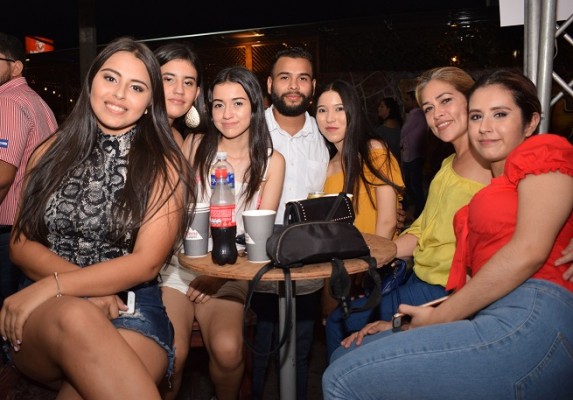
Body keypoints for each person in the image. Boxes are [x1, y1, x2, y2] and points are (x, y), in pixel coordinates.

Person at [323, 69, 573, 399]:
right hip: (482, 302)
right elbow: (457, 253)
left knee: (341, 376)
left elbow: (527, 251)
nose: (485, 126)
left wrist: (439, 316)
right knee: (343, 354)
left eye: (499, 114)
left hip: (532, 307)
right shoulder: (480, 180)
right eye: (477, 116)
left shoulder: (538, 151)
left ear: (530, 123)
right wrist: (412, 323)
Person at [0, 37, 194, 398]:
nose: (120, 94)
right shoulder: (49, 151)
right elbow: (20, 244)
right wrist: (77, 290)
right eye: (110, 78)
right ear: (91, 81)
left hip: (131, 305)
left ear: (151, 100)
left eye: (136, 87)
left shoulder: (164, 163)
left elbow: (147, 263)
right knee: (78, 316)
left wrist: (56, 284)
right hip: (47, 311)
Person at [324, 67, 492, 360]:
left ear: (471, 99)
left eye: (445, 101)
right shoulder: (448, 165)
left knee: (341, 324)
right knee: (341, 325)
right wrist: (369, 257)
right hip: (419, 278)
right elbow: (421, 231)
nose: (437, 113)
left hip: (448, 289)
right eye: (428, 107)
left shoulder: (492, 162)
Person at [159, 65, 285, 400]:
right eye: (218, 104)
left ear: (255, 106)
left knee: (229, 350)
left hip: (231, 270)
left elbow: (260, 238)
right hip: (181, 266)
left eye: (238, 103)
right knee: (173, 351)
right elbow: (175, 213)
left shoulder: (272, 162)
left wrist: (215, 275)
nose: (227, 114)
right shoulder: (195, 144)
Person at [250, 46, 330, 400]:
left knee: (299, 348)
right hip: (257, 256)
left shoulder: (328, 137)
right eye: (285, 77)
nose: (293, 86)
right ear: (270, 84)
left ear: (313, 85)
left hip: (308, 260)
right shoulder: (250, 132)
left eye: (302, 78)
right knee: (257, 346)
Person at [0, 33, 58, 309]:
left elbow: (2, 176)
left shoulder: (7, 102)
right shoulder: (34, 100)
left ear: (16, 67)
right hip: (34, 227)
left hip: (9, 229)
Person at [154, 42, 207, 146]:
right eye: (169, 79)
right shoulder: (129, 134)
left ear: (196, 93)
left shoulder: (178, 138)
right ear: (151, 82)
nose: (179, 90)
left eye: (188, 83)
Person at [400, 89, 428, 219]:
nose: (404, 103)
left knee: (414, 186)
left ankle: (419, 213)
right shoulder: (420, 114)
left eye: (407, 100)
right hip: (415, 154)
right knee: (414, 185)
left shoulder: (415, 113)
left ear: (414, 101)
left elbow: (404, 131)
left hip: (412, 156)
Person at [374, 97, 402, 163]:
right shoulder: (399, 124)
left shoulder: (382, 130)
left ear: (388, 110)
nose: (378, 109)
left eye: (382, 106)